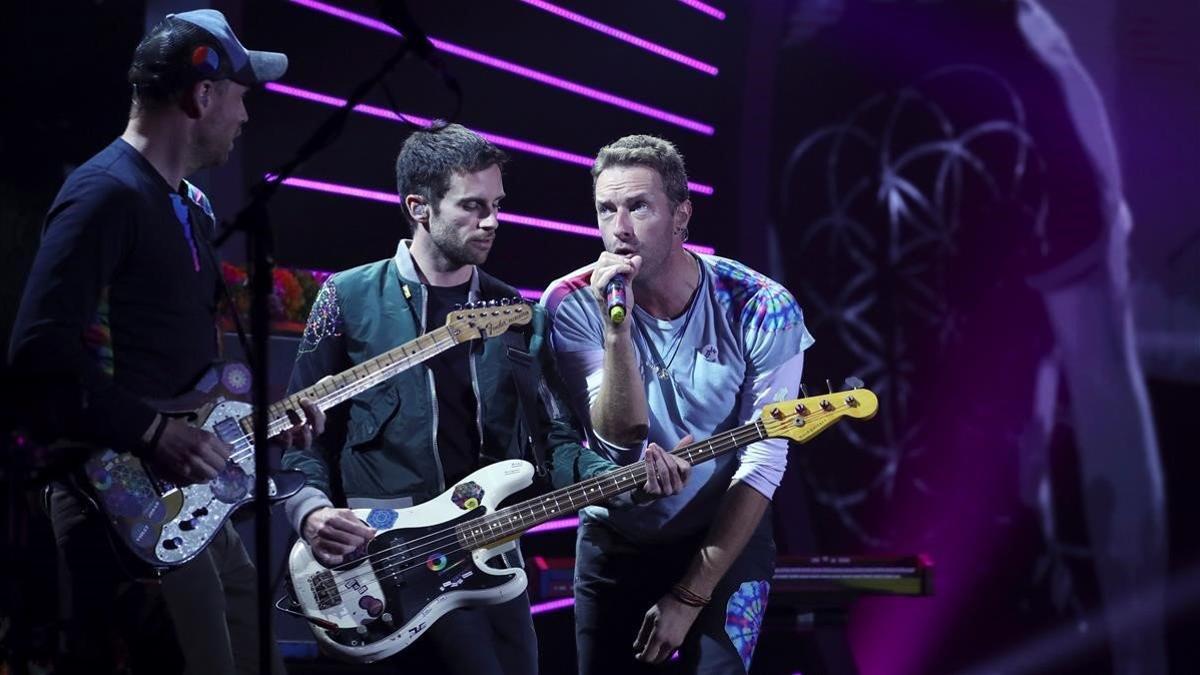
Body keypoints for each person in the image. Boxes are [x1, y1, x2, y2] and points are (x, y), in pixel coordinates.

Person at [7, 9, 305, 674]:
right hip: (124, 506)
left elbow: (179, 370)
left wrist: (264, 422)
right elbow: (38, 351)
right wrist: (152, 433)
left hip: (193, 509)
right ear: (203, 95)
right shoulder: (103, 193)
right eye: (241, 95)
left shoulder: (188, 205)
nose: (246, 115)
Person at [281, 122, 605, 674]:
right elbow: (298, 436)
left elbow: (554, 440)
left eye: (497, 204)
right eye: (473, 206)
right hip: (379, 570)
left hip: (489, 565)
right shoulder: (346, 296)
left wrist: (620, 474)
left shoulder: (514, 313)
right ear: (419, 206)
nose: (492, 221)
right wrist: (309, 513)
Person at [541, 134, 814, 674]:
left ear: (681, 216)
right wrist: (615, 327)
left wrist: (689, 597)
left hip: (723, 531)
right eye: (606, 210)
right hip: (616, 531)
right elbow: (621, 433)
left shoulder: (760, 305)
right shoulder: (570, 303)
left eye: (638, 206)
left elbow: (763, 461)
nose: (619, 229)